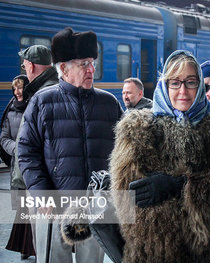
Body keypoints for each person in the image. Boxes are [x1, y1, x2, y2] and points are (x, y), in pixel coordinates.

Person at [110, 50, 210, 262]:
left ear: (199, 86)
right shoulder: (137, 130)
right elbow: (124, 203)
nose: (183, 91)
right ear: (165, 85)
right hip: (150, 255)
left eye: (190, 82)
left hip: (207, 255)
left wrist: (182, 185)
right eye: (175, 83)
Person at [18, 27, 123, 263]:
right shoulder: (42, 102)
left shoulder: (109, 104)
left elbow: (124, 152)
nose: (91, 69)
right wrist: (41, 192)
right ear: (63, 68)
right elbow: (26, 151)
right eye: (84, 63)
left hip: (96, 205)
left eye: (92, 63)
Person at [0, 75, 35, 260]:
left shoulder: (33, 107)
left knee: (30, 210)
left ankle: (29, 248)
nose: (17, 92)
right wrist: (17, 149)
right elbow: (3, 137)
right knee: (22, 209)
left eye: (20, 88)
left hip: (31, 167)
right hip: (17, 166)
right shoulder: (11, 109)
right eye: (15, 89)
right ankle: (25, 247)